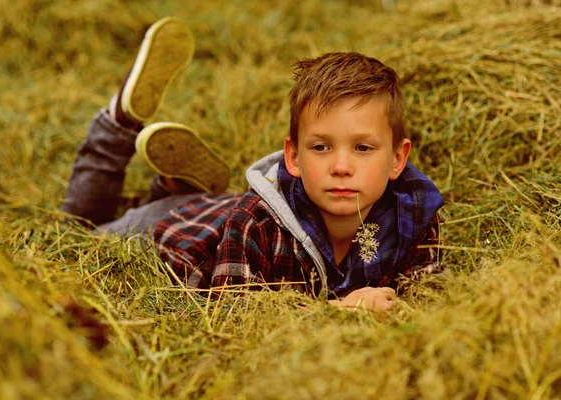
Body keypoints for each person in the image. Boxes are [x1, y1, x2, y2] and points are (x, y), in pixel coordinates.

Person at [62, 17, 444, 312]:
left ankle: (177, 186)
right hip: (165, 231)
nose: (341, 166)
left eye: (362, 148)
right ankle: (118, 124)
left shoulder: (414, 213)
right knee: (75, 231)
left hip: (213, 212)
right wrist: (342, 309)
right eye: (322, 148)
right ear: (293, 157)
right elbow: (236, 312)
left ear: (397, 159)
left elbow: (429, 292)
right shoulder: (254, 222)